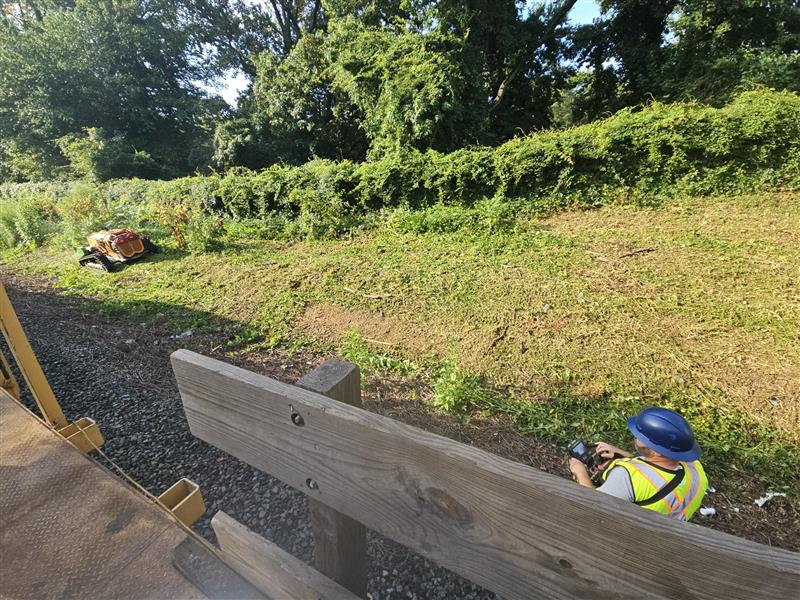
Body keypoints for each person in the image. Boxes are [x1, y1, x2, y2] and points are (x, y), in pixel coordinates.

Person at [569, 407, 709, 521]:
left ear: (656, 450)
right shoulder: (696, 469)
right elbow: (656, 468)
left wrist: (580, 472)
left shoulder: (625, 476)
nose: (635, 436)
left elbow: (595, 506)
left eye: (639, 436)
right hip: (669, 532)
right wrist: (618, 452)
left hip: (632, 536)